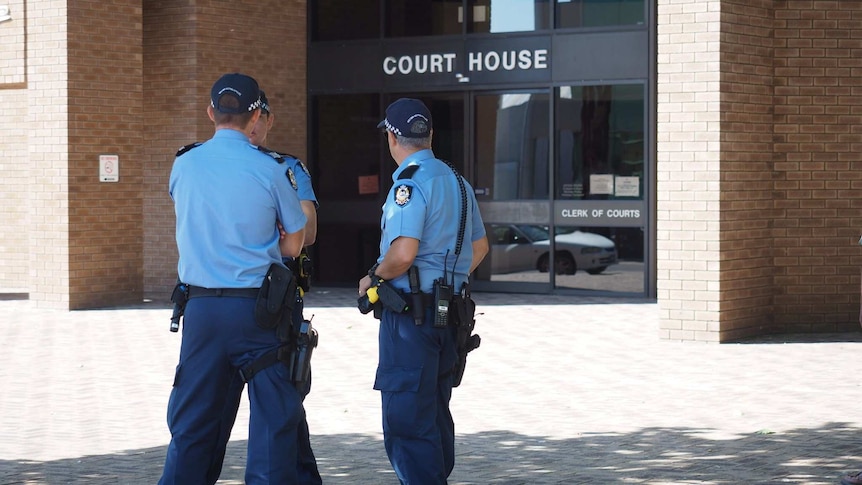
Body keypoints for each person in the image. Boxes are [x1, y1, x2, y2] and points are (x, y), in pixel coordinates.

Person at [160, 73, 308, 484]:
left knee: (192, 426)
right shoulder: (272, 169)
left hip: (202, 311)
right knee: (272, 425)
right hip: (258, 313)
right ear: (255, 115)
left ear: (211, 112)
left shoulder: (184, 164)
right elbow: (294, 244)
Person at [357, 97, 489, 484]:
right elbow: (479, 249)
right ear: (429, 134)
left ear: (393, 138)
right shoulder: (459, 183)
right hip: (450, 316)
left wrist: (372, 278)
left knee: (407, 422)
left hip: (411, 320)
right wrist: (447, 280)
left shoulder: (409, 184)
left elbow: (402, 253)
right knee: (434, 412)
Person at [206, 89, 322, 485]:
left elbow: (307, 230)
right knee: (224, 409)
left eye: (261, 119)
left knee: (281, 405)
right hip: (226, 296)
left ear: (267, 121)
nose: (254, 126)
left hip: (275, 299)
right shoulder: (211, 162)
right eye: (251, 118)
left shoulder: (285, 167)